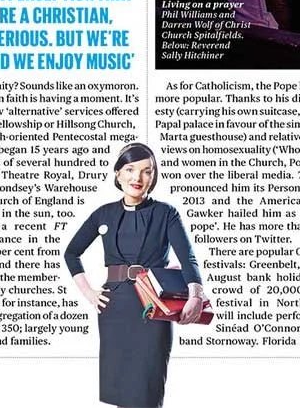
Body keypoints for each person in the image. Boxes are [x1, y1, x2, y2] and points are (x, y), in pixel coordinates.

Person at [64, 142, 205, 408]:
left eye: (146, 171)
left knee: (147, 390)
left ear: (154, 176)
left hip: (153, 306)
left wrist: (196, 295)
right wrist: (90, 294)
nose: (137, 177)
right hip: (114, 307)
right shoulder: (103, 214)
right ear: (118, 173)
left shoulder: (166, 213)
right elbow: (72, 253)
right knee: (120, 392)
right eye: (130, 169)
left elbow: (188, 257)